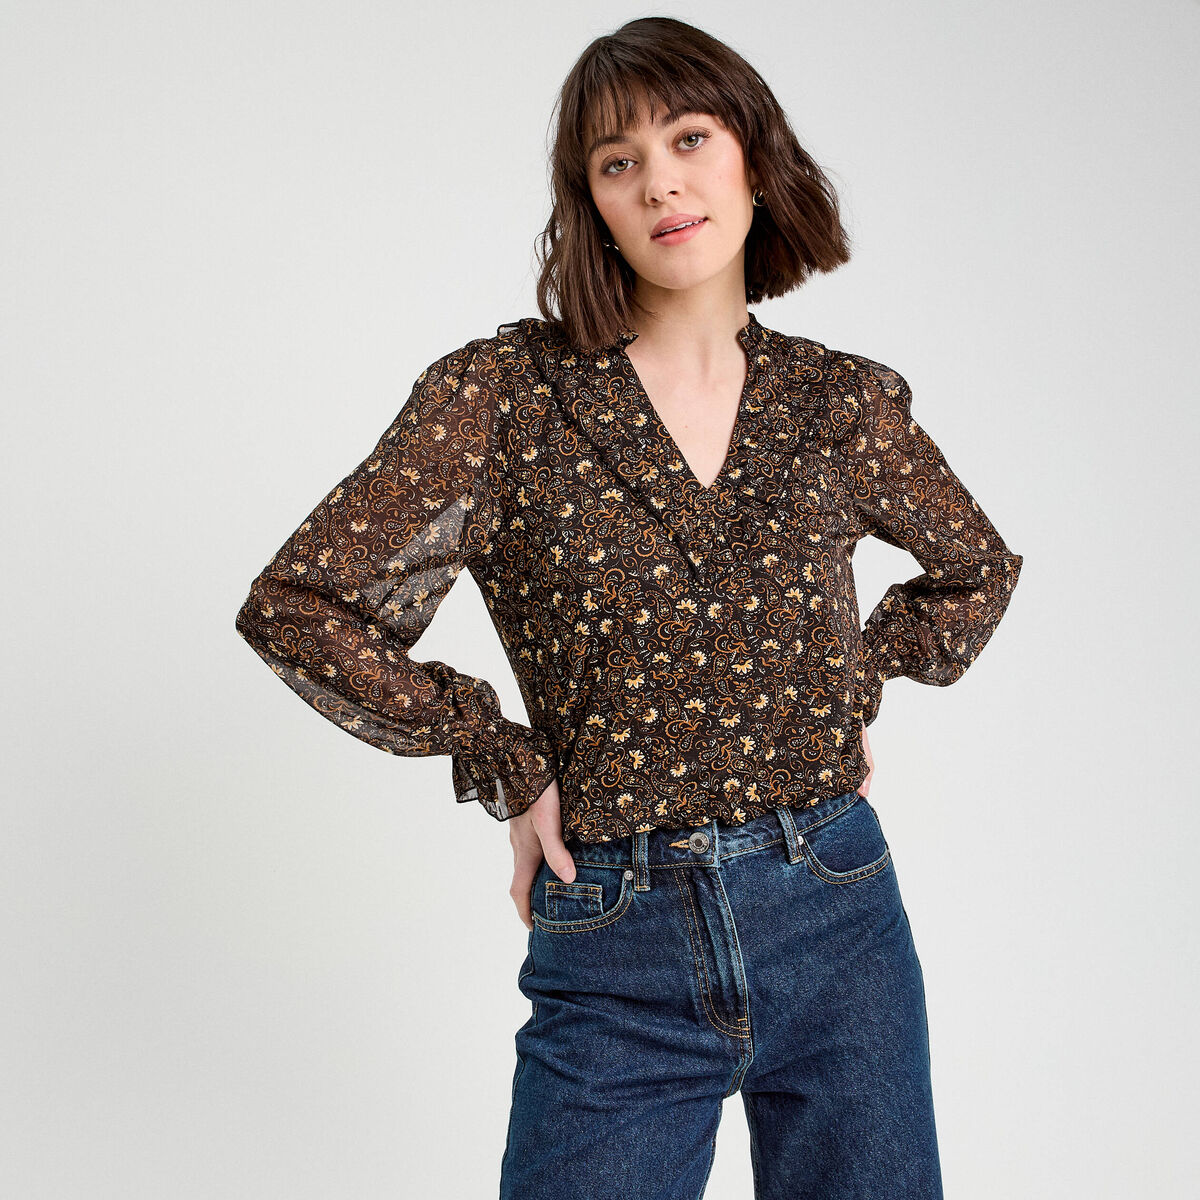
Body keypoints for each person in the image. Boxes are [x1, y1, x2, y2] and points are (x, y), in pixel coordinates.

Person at [235, 16, 1022, 1199]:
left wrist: (844, 683)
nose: (660, 182)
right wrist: (503, 760)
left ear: (754, 158)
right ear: (591, 203)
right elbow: (302, 604)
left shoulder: (840, 402)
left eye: (689, 138)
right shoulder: (504, 397)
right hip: (617, 931)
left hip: (838, 913)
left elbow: (976, 567)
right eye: (618, 161)